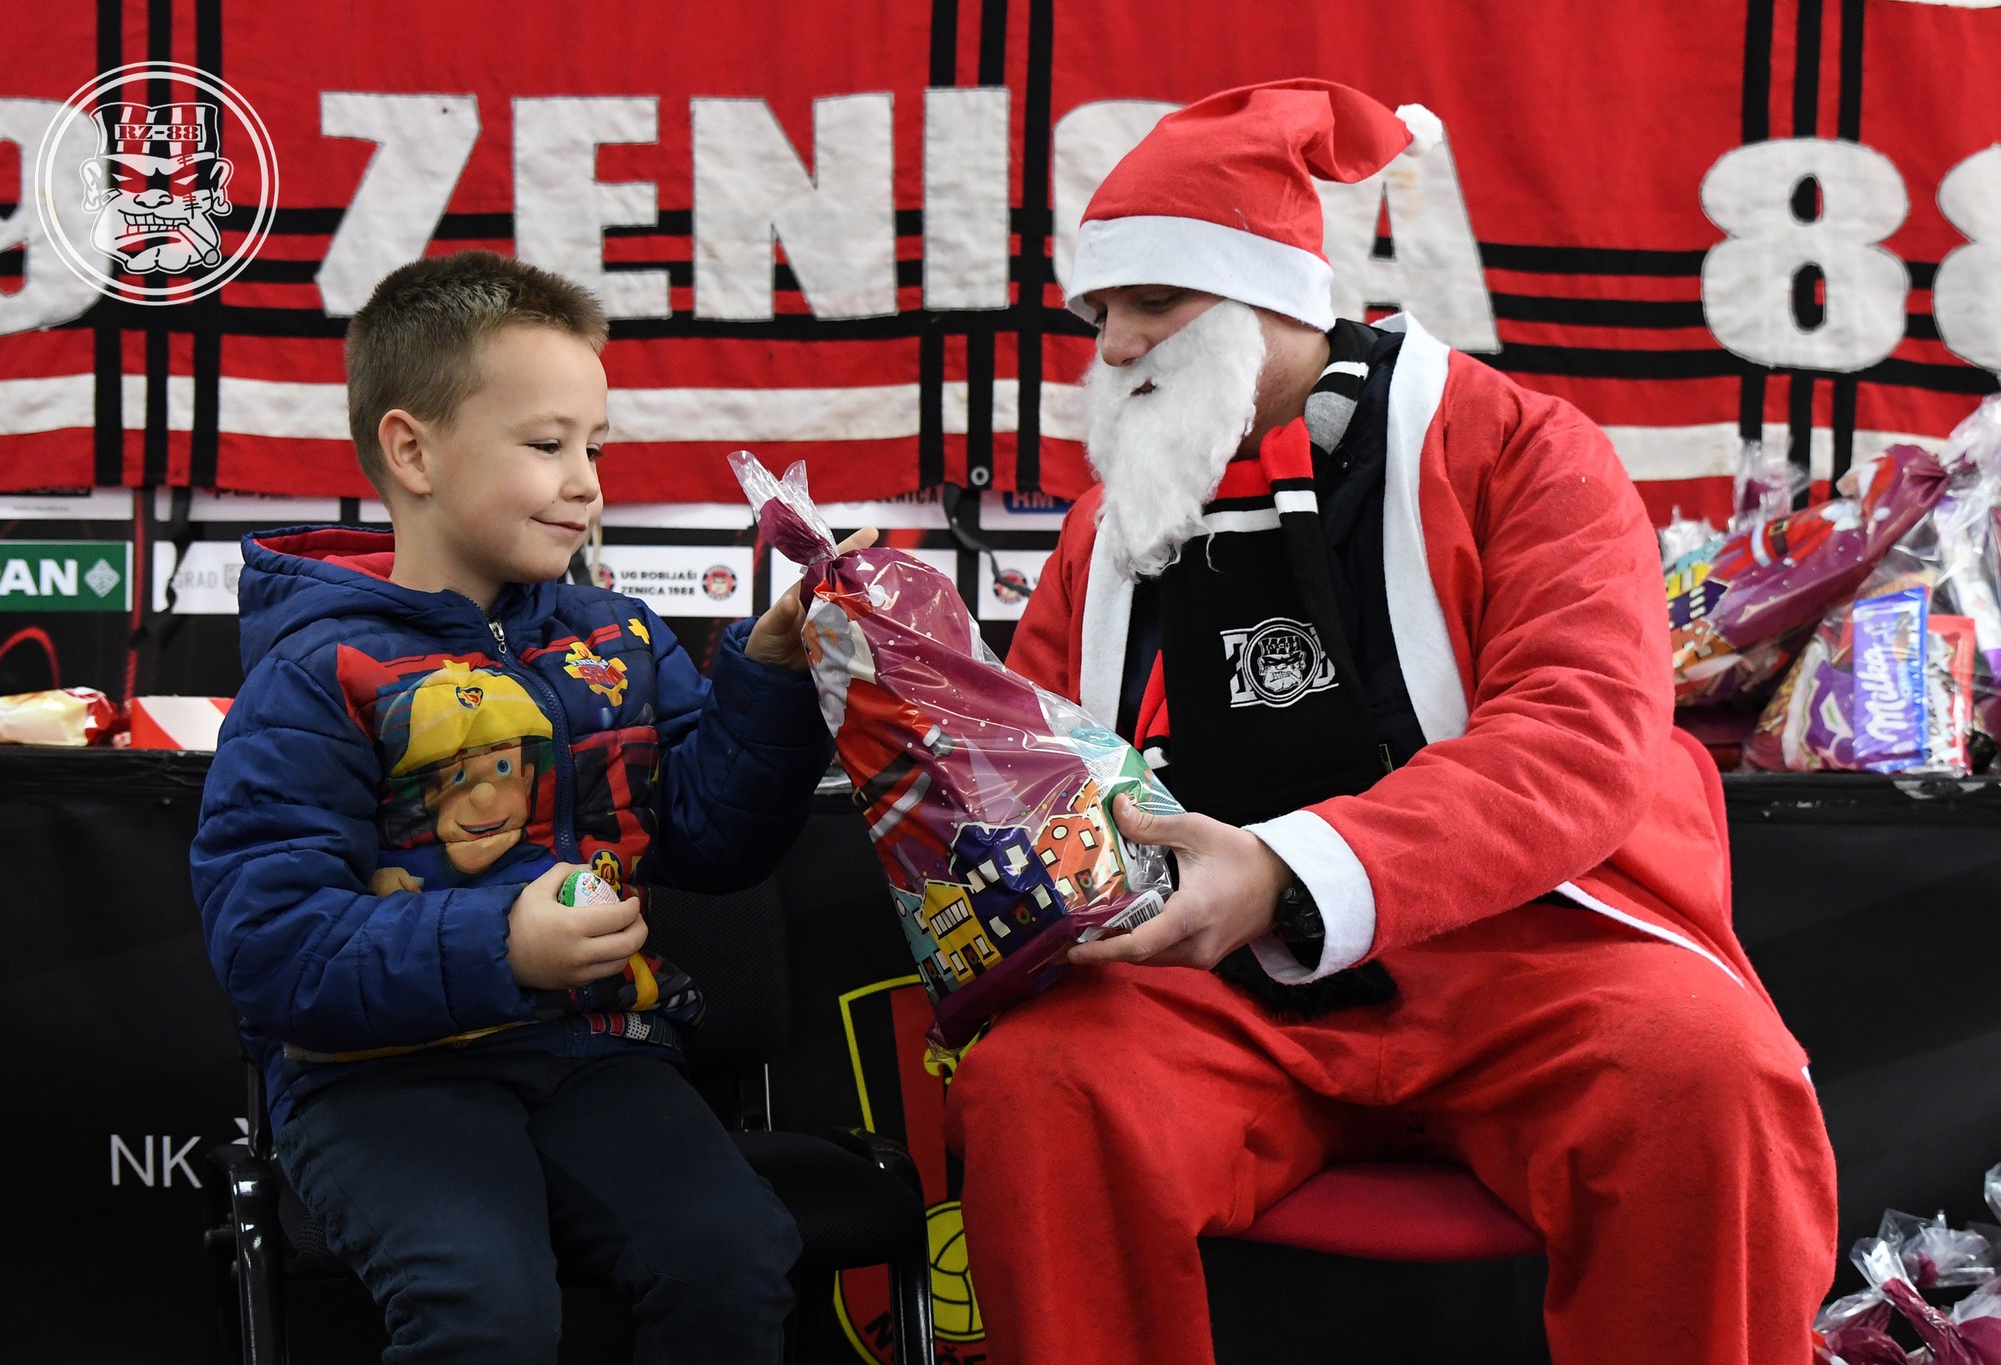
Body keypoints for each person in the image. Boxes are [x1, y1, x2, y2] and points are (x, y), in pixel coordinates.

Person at [944, 80, 1837, 1364]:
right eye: (1099, 316)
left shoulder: (1522, 451)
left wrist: (1282, 870)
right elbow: (1041, 767)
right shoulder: (1108, 525)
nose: (1117, 347)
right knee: (1039, 1088)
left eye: (1153, 303)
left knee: (1705, 1078)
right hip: (1216, 987)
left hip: (1528, 959)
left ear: (1273, 299)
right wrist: (892, 680)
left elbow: (1577, 741)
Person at [191, 250, 872, 1364]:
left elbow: (713, 841)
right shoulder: (315, 674)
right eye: (547, 445)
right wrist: (500, 943)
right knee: (484, 1307)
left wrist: (771, 675)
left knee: (735, 1257)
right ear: (412, 450)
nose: (587, 482)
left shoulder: (619, 638)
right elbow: (271, 947)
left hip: (601, 1056)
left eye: (595, 447)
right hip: (379, 1082)